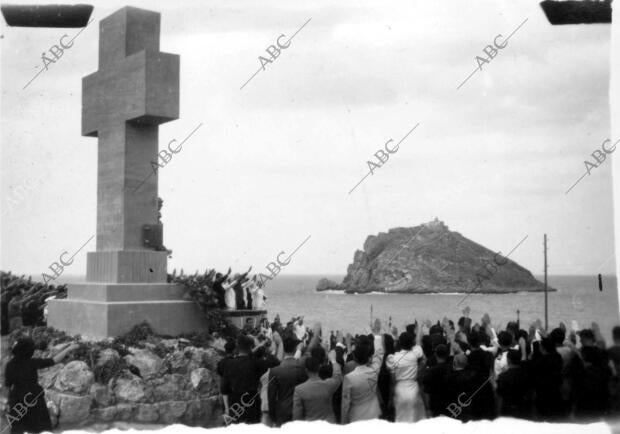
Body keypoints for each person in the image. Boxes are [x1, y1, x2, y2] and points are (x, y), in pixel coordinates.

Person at [4, 338, 79, 433]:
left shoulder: (10, 365)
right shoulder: (32, 362)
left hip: (17, 398)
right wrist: (69, 349)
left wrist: (7, 403)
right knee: (40, 427)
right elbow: (53, 360)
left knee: (18, 427)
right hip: (34, 398)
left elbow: (7, 386)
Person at [221, 334, 278, 424]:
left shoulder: (228, 364)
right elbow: (275, 363)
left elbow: (224, 389)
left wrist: (227, 409)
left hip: (234, 405)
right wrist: (265, 349)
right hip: (252, 404)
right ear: (251, 347)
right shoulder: (255, 363)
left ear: (237, 347)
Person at [341, 336, 384, 423]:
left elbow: (345, 404)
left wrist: (343, 423)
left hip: (357, 416)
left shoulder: (349, 378)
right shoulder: (375, 370)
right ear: (368, 358)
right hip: (373, 413)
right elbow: (379, 355)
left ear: (355, 357)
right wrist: (377, 336)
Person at [268, 336, 308, 426]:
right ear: (294, 349)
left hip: (282, 411)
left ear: (284, 350)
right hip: (299, 409)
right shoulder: (301, 369)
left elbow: (271, 396)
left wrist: (272, 415)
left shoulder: (275, 371)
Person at [293, 350, 343, 422]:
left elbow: (297, 415)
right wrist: (333, 360)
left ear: (306, 371)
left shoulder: (299, 389)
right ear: (319, 368)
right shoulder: (328, 385)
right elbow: (337, 376)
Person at [386, 331, 425, 422]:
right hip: (413, 388)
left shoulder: (393, 358)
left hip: (400, 389)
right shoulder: (415, 354)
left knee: (401, 418)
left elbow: (392, 382)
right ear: (412, 343)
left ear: (400, 343)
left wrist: (390, 399)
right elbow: (419, 349)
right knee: (415, 419)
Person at [497, 349, 531, 419]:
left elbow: (500, 394)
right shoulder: (527, 375)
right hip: (523, 408)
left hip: (507, 408)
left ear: (508, 360)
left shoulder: (502, 376)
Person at [421, 343, 453, 417]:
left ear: (435, 354)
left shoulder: (431, 372)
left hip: (435, 404)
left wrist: (427, 408)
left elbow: (425, 391)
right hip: (450, 403)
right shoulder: (452, 369)